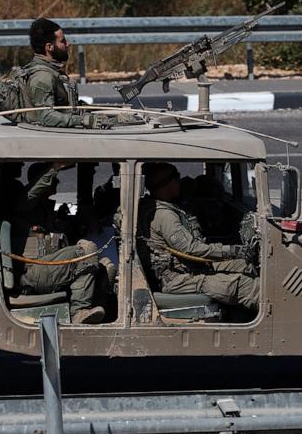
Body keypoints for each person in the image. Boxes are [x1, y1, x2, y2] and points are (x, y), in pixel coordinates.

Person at [138, 162, 259, 311]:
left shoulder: (164, 207)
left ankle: (240, 314)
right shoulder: (165, 215)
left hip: (185, 268)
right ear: (167, 184)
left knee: (243, 263)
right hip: (177, 279)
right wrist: (231, 250)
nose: (180, 182)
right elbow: (190, 249)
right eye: (177, 178)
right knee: (245, 285)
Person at [3, 162, 106, 324]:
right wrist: (54, 168)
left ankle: (101, 315)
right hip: (31, 273)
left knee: (104, 265)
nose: (57, 182)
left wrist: (87, 218)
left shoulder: (53, 212)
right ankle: (79, 312)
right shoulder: (23, 209)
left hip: (49, 270)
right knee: (88, 250)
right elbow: (31, 195)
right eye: (53, 179)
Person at [25, 18, 109, 129]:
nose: (68, 44)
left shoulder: (52, 70)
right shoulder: (43, 78)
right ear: (49, 47)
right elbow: (46, 116)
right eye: (63, 41)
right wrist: (83, 120)